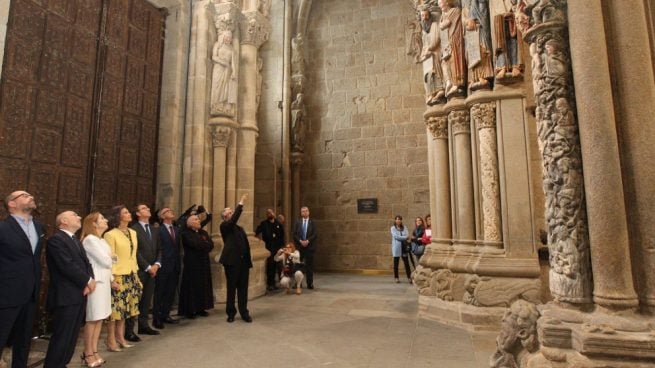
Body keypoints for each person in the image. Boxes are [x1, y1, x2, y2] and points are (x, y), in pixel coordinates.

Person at [44, 211, 95, 368]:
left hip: (79, 293)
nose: (79, 217)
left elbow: (86, 263)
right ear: (64, 221)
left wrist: (90, 280)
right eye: (75, 215)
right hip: (65, 295)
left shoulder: (75, 240)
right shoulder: (56, 240)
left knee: (72, 336)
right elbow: (66, 265)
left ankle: (63, 363)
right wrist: (86, 280)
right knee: (62, 335)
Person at [0, 191, 44, 368]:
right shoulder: (3, 228)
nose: (31, 196)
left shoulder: (39, 227)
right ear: (11, 203)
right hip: (7, 293)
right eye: (25, 196)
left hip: (31, 292)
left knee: (24, 340)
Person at [103, 205, 143, 351]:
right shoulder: (110, 234)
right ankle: (110, 340)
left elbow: (133, 255)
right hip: (118, 275)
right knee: (115, 311)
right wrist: (112, 278)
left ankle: (121, 337)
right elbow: (110, 257)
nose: (129, 214)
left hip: (131, 273)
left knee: (126, 310)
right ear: (118, 216)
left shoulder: (133, 232)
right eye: (125, 212)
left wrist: (136, 275)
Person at [80, 212, 114, 367]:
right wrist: (111, 257)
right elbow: (107, 261)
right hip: (97, 282)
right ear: (93, 223)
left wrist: (111, 258)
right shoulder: (90, 240)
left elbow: (112, 259)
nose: (106, 220)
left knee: (100, 318)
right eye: (102, 218)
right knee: (92, 318)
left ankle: (94, 350)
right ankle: (87, 353)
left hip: (105, 281)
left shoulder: (102, 241)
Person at [127, 203, 161, 337]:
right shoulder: (133, 229)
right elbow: (135, 252)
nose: (147, 209)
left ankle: (143, 325)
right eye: (143, 208)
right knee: (135, 300)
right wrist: (147, 267)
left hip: (154, 270)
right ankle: (128, 330)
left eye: (148, 208)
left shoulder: (154, 230)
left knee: (147, 299)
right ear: (137, 213)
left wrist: (157, 264)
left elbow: (159, 249)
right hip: (141, 270)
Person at [219, 194, 253, 323]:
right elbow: (233, 220)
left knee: (243, 289)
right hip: (231, 262)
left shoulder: (239, 228)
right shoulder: (224, 226)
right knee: (231, 288)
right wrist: (241, 203)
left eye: (232, 211)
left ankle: (244, 312)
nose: (232, 213)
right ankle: (231, 313)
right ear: (225, 216)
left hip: (243, 262)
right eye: (229, 212)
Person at [178, 211, 214, 319]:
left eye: (198, 219)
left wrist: (203, 245)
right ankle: (190, 310)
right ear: (189, 223)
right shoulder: (185, 233)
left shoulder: (203, 233)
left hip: (203, 262)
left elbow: (211, 245)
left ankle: (201, 308)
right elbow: (195, 244)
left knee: (203, 285)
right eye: (196, 219)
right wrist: (204, 245)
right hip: (192, 264)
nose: (198, 221)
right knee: (192, 287)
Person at [152, 207, 181, 329]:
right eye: (167, 211)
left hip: (174, 265)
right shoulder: (158, 230)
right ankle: (156, 318)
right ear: (162, 216)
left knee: (170, 292)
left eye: (171, 210)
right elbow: (158, 248)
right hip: (163, 266)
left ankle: (165, 314)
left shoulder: (176, 229)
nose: (171, 212)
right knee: (160, 292)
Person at [438, 0, 466, 98]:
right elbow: (441, 27)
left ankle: (457, 83)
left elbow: (447, 23)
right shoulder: (442, 15)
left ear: (447, 2)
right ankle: (449, 82)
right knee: (445, 62)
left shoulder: (455, 11)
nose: (440, 6)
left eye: (441, 4)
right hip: (446, 43)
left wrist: (443, 24)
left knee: (455, 61)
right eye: (439, 5)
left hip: (455, 40)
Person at [419, 8, 445, 105]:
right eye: (422, 16)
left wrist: (429, 50)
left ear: (429, 16)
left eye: (426, 15)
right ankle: (431, 93)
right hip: (427, 57)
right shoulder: (424, 31)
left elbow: (435, 40)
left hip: (434, 54)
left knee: (435, 73)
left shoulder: (434, 25)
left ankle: (439, 91)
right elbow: (424, 44)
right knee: (427, 76)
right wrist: (423, 53)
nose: (424, 18)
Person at [255, 208, 285, 292]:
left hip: (277, 248)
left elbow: (282, 236)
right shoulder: (264, 223)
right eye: (268, 213)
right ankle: (270, 283)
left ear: (274, 214)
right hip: (268, 248)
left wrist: (282, 247)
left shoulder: (278, 224)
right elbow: (257, 231)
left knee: (276, 266)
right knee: (270, 266)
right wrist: (256, 239)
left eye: (271, 213)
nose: (269, 214)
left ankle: (275, 283)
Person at [292, 206, 317, 289]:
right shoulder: (297, 222)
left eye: (306, 211)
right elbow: (294, 234)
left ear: (308, 212)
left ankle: (310, 283)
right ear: (301, 213)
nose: (304, 212)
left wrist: (307, 241)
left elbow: (315, 234)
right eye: (303, 211)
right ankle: (298, 283)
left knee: (309, 266)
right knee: (298, 265)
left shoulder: (312, 222)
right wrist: (300, 241)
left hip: (309, 247)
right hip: (300, 247)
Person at [390, 215, 411, 284]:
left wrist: (404, 237)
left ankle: (409, 277)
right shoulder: (393, 228)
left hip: (404, 248)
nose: (398, 220)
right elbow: (396, 237)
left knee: (406, 263)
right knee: (396, 264)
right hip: (397, 247)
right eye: (397, 219)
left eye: (399, 219)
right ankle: (396, 277)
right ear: (395, 220)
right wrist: (405, 237)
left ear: (401, 220)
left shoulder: (404, 227)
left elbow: (407, 234)